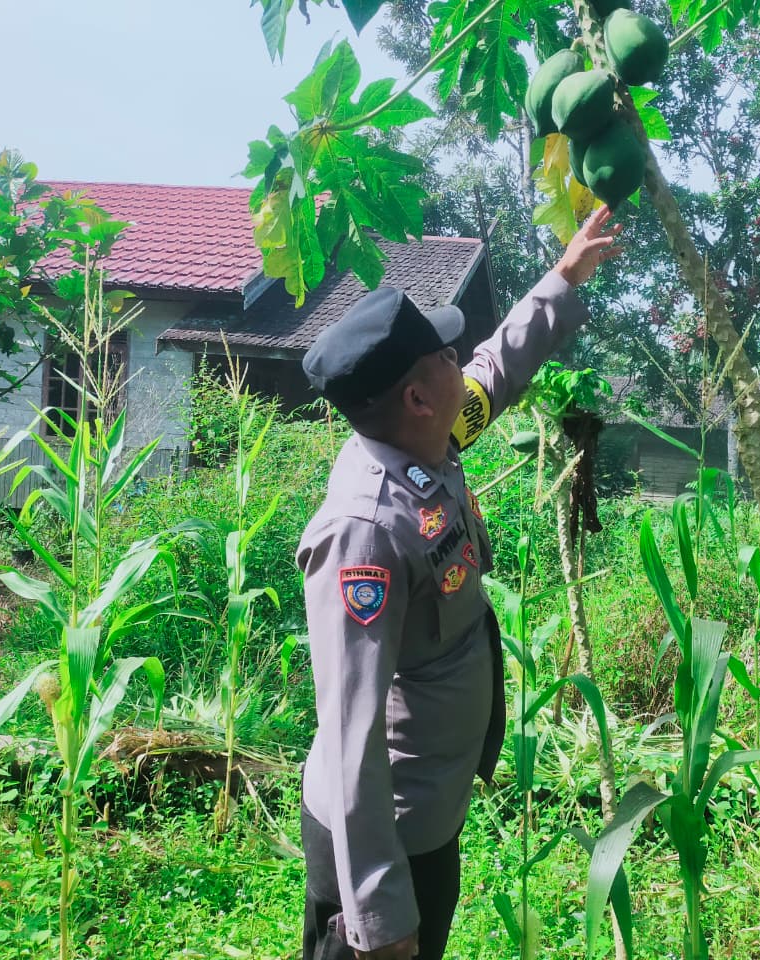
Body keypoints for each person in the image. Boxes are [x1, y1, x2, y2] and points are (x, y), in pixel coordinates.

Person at [296, 206, 623, 960]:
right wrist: (377, 920)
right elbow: (350, 740)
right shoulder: (366, 530)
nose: (460, 361)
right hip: (381, 840)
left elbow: (498, 368)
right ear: (415, 396)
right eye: (444, 357)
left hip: (428, 816)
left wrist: (565, 275)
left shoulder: (428, 441)